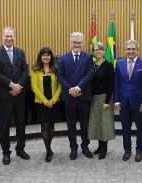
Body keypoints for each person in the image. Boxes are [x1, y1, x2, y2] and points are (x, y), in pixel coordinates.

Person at [0, 27, 30, 165]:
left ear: (14, 37)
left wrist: (18, 86)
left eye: (11, 36)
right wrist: (12, 85)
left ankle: (20, 149)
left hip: (19, 95)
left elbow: (25, 70)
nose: (9, 39)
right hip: (4, 95)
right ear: (2, 37)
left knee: (21, 124)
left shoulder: (20, 52)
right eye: (7, 36)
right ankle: (6, 153)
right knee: (5, 126)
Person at [57, 32, 95, 160]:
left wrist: (78, 88)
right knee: (71, 125)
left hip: (84, 97)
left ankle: (85, 146)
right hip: (69, 98)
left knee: (85, 125)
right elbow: (60, 77)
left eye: (79, 42)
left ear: (83, 43)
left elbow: (90, 74)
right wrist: (70, 89)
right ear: (70, 42)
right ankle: (73, 148)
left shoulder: (89, 57)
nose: (76, 44)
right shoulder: (62, 58)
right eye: (74, 42)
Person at [113, 39, 142, 162]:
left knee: (140, 129)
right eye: (128, 49)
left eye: (133, 49)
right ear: (125, 50)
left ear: (137, 50)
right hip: (123, 103)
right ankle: (127, 150)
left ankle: (139, 151)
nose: (131, 51)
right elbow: (116, 84)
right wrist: (116, 101)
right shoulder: (119, 63)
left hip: (139, 104)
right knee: (125, 129)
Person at [31, 47, 62, 162]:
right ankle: (48, 150)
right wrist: (45, 101)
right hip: (41, 103)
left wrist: (53, 100)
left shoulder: (56, 69)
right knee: (44, 126)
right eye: (43, 55)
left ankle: (49, 148)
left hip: (54, 103)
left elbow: (60, 86)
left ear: (51, 57)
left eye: (48, 55)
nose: (45, 57)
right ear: (40, 57)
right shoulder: (35, 70)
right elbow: (34, 88)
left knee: (52, 126)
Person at [88, 42, 115, 160]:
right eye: (95, 50)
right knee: (97, 123)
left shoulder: (108, 65)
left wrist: (107, 101)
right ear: (93, 52)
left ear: (103, 51)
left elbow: (111, 84)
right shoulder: (91, 65)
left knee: (105, 123)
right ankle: (99, 146)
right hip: (93, 98)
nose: (98, 51)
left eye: (100, 49)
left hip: (104, 97)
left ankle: (104, 148)